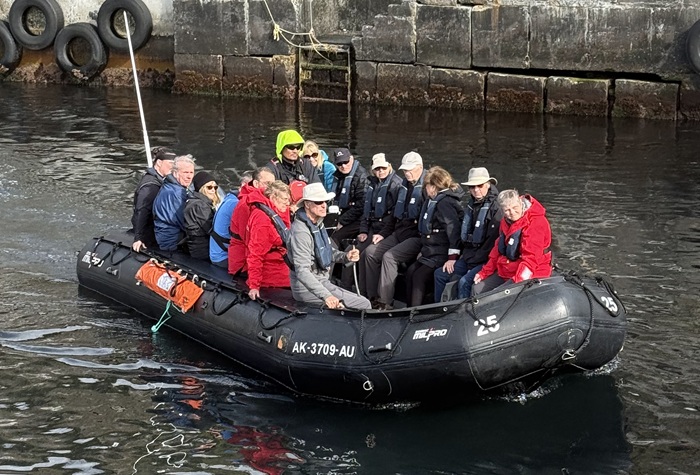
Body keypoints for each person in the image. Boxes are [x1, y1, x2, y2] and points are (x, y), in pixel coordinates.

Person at [288, 183, 371, 310]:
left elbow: (326, 251)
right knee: (364, 304)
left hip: (322, 282)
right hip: (306, 289)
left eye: (325, 202)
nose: (324, 205)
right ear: (307, 204)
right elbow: (302, 271)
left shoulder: (317, 224)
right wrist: (326, 296)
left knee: (362, 301)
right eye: (318, 202)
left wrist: (345, 256)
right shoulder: (301, 232)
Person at [359, 151, 426, 310]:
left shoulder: (427, 188)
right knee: (370, 253)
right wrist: (382, 233)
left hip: (416, 237)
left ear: (420, 167)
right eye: (405, 170)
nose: (407, 173)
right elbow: (394, 216)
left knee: (389, 257)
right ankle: (370, 298)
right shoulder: (404, 186)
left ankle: (385, 302)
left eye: (411, 170)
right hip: (399, 232)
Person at [433, 167, 501, 301]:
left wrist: (473, 264)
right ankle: (439, 310)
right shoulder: (472, 205)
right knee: (440, 274)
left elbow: (492, 243)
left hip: (485, 260)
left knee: (465, 282)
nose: (476, 190)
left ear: (488, 184)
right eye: (472, 187)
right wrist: (455, 257)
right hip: (469, 257)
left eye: (480, 185)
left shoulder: (496, 208)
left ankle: (461, 314)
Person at [472, 189, 553, 295]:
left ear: (520, 202)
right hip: (508, 269)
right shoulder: (505, 222)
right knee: (476, 289)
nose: (512, 213)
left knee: (498, 295)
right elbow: (498, 250)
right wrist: (484, 272)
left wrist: (517, 283)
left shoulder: (536, 222)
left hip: (534, 269)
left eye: (515, 208)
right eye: (507, 210)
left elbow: (531, 259)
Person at [404, 166, 465, 307]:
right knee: (411, 271)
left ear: (432, 187)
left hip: (440, 253)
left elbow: (453, 230)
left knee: (419, 277)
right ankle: (409, 307)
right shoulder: (432, 201)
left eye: (427, 186)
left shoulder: (444, 203)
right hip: (430, 252)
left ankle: (415, 311)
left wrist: (452, 258)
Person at [245, 181, 293, 300]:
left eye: (289, 200)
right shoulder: (263, 221)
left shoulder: (277, 213)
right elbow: (255, 254)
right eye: (285, 199)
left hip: (283, 266)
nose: (288, 204)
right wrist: (254, 285)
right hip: (273, 275)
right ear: (272, 198)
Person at [228, 168, 276, 276]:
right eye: (268, 184)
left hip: (251, 258)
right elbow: (249, 240)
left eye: (273, 184)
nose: (271, 188)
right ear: (256, 183)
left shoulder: (261, 201)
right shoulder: (246, 205)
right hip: (242, 264)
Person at [130, 147, 176, 252]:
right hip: (149, 231)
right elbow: (142, 211)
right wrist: (139, 237)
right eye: (170, 163)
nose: (173, 168)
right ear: (159, 163)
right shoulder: (150, 186)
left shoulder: (164, 180)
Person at [209, 171, 253, 267]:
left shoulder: (230, 197)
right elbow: (246, 236)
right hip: (223, 257)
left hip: (217, 252)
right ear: (244, 185)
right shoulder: (236, 205)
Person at [153, 154, 196, 252]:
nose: (189, 176)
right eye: (185, 172)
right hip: (173, 242)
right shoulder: (176, 193)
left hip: (166, 236)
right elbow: (184, 222)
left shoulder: (171, 185)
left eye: (191, 172)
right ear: (175, 173)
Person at [328, 147, 369, 247]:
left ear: (351, 159)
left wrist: (342, 221)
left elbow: (361, 205)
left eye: (346, 162)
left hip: (359, 218)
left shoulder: (361, 177)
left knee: (335, 238)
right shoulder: (338, 176)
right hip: (342, 214)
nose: (343, 166)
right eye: (339, 164)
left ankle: (337, 260)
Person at [184, 171, 220, 261]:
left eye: (215, 187)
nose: (213, 190)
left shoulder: (195, 201)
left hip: (196, 247)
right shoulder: (200, 205)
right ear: (202, 188)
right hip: (203, 249)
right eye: (209, 187)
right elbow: (211, 228)